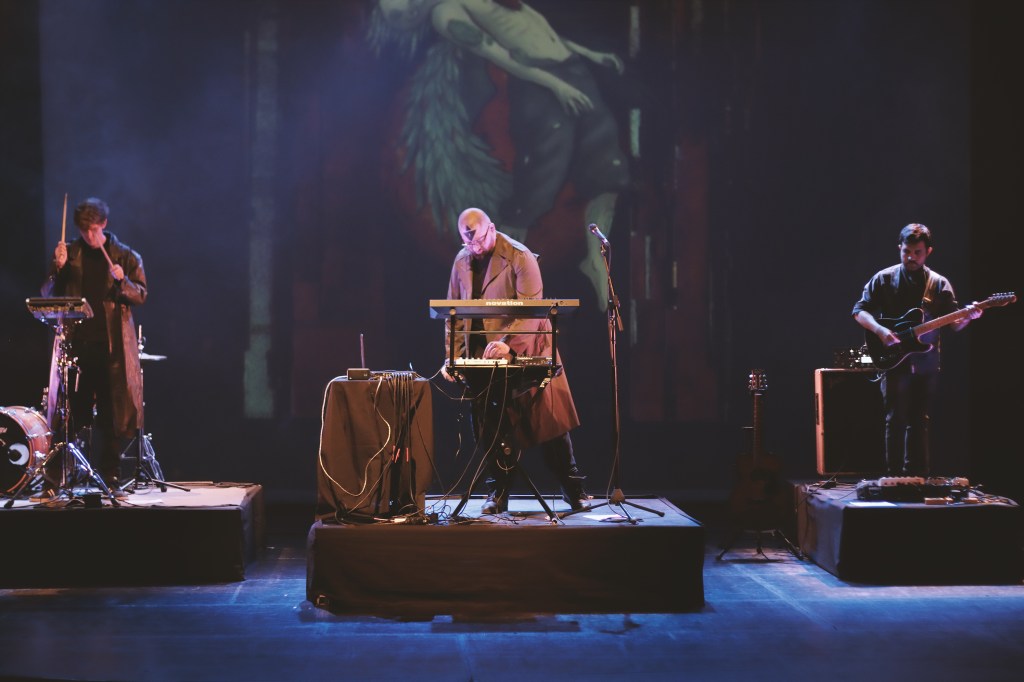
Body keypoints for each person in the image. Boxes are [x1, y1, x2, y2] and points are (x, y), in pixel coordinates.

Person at [374, 0, 631, 307]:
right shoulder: (447, 15)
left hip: (568, 68)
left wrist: (587, 55)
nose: (410, 7)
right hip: (542, 81)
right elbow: (502, 54)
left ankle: (594, 260)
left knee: (606, 166)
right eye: (400, 15)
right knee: (540, 178)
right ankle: (498, 280)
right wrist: (555, 85)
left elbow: (536, 29)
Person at [442, 207, 589, 513]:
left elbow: (532, 310)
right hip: (483, 357)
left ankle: (572, 487)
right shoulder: (461, 261)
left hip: (528, 348)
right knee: (489, 423)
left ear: (491, 228)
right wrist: (453, 358)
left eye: (478, 240)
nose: (474, 247)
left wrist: (508, 346)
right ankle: (498, 491)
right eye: (467, 242)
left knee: (549, 424)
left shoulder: (520, 257)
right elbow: (452, 314)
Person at [852, 223, 980, 476]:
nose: (911, 257)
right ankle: (893, 478)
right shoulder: (884, 278)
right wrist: (880, 331)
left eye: (917, 252)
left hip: (926, 362)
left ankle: (917, 478)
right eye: (906, 251)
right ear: (899, 248)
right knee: (894, 420)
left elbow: (954, 324)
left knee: (919, 420)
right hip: (892, 359)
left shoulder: (939, 284)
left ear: (928, 252)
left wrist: (969, 316)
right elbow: (859, 311)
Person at [41, 197, 147, 490]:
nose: (89, 236)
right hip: (78, 345)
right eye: (84, 230)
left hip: (112, 348)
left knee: (111, 415)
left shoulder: (125, 256)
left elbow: (141, 294)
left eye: (94, 230)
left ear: (104, 224)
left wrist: (123, 282)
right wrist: (59, 268)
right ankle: (59, 475)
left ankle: (110, 475)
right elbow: (48, 294)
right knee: (73, 413)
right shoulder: (70, 253)